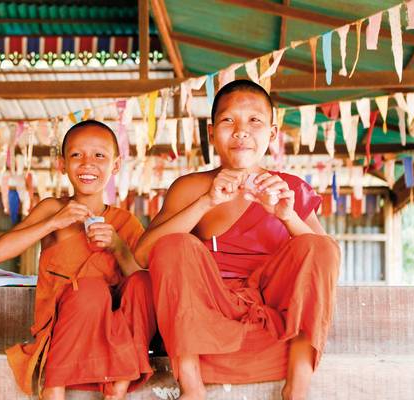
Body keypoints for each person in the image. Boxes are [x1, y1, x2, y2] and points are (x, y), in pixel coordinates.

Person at [134, 80, 340, 400]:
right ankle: (191, 387)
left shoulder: (290, 189)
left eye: (254, 121)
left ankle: (297, 388)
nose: (241, 131)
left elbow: (326, 258)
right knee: (174, 244)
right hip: (208, 321)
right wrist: (206, 201)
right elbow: (144, 256)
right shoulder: (190, 188)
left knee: (320, 243)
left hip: (275, 323)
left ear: (272, 133)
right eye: (229, 120)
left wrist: (287, 215)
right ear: (212, 130)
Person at [0, 120, 156, 400]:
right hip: (64, 320)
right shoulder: (53, 208)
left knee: (144, 281)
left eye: (99, 156)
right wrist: (53, 223)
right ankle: (54, 387)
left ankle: (118, 384)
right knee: (91, 290)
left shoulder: (125, 221)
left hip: (112, 325)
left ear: (115, 166)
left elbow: (141, 282)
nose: (87, 163)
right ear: (62, 164)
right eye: (77, 155)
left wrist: (117, 246)